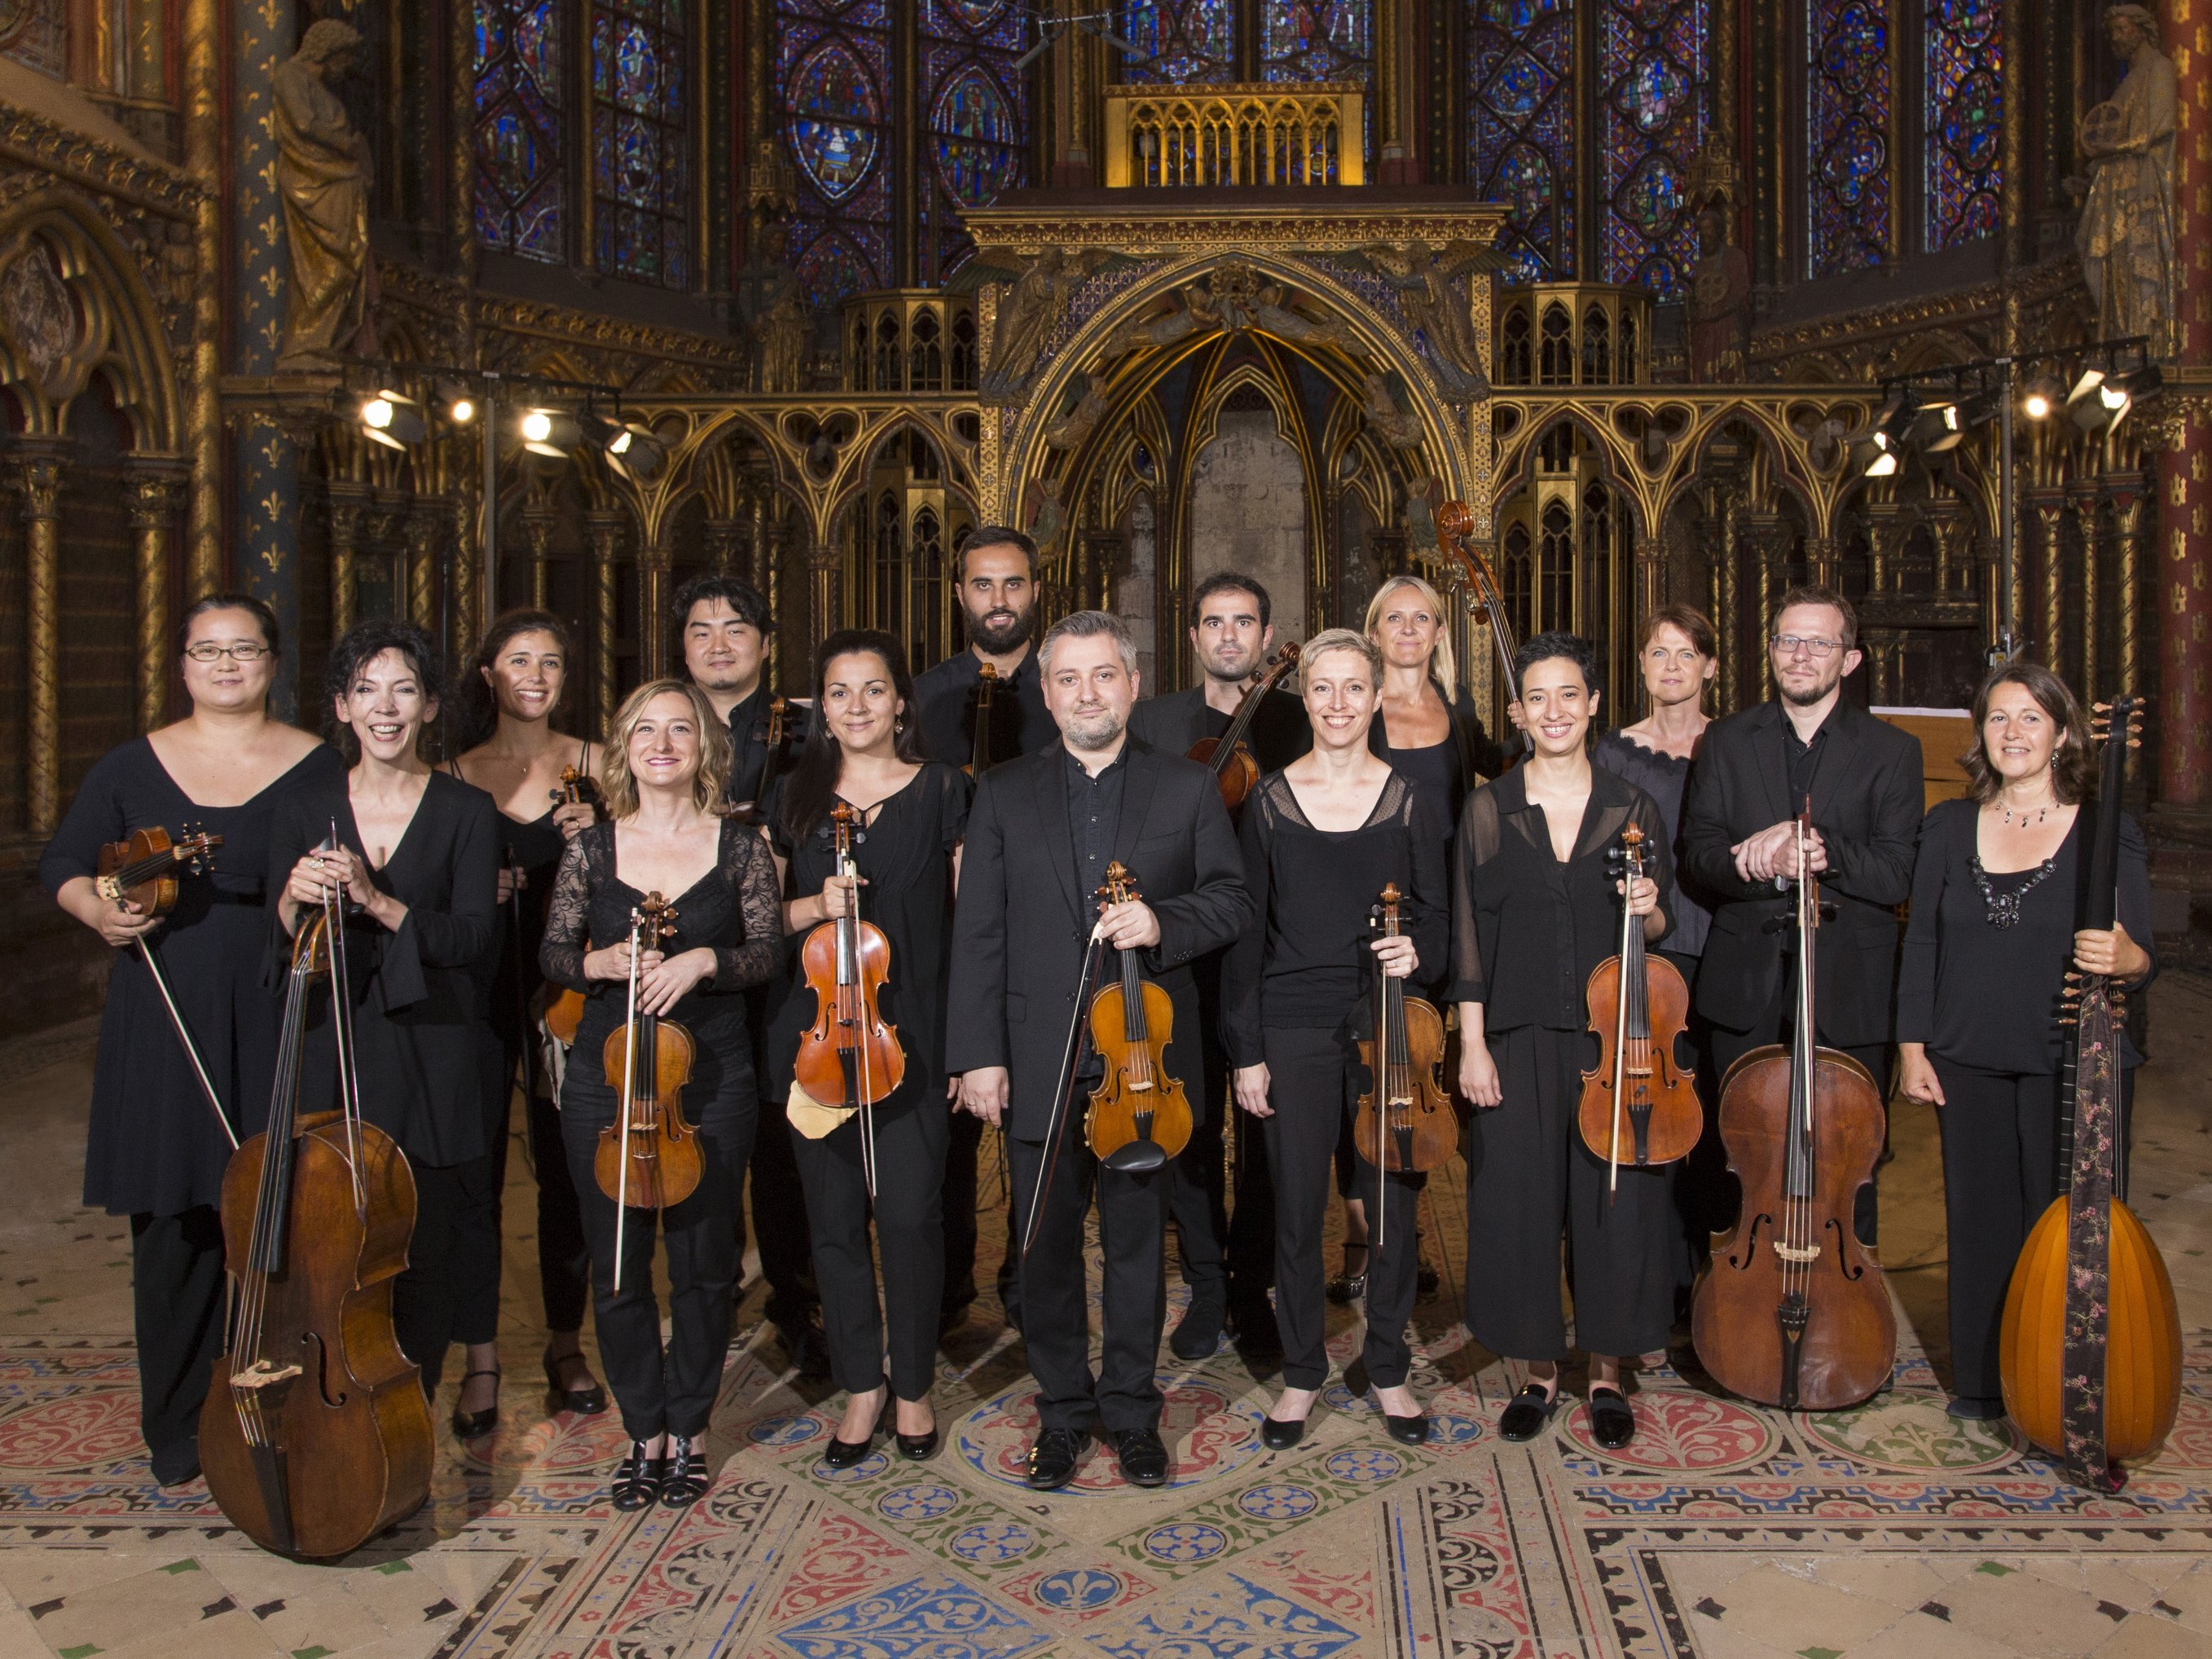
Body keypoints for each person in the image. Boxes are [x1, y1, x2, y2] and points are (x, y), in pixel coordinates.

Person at [947, 610, 1251, 1491]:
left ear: (1132, 682)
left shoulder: (1187, 788)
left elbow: (1230, 900)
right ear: (1046, 693)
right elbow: (981, 935)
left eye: (1104, 675)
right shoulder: (1002, 791)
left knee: (1131, 1246)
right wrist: (979, 1056)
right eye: (1069, 678)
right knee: (1042, 1247)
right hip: (1038, 1055)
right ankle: (1063, 1411)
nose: (1088, 692)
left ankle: (1129, 1408)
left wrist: (1163, 919)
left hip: (1142, 1062)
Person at [41, 595, 336, 1488]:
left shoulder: (319, 763)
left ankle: (273, 1402)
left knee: (278, 1210)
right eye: (207, 650)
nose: (225, 664)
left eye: (243, 648)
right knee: (174, 1219)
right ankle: (175, 1422)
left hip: (282, 992)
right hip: (166, 999)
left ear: (272, 662)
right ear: (182, 664)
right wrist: (99, 908)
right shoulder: (135, 763)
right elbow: (64, 862)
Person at [539, 680, 781, 1509]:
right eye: (647, 728)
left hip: (712, 1080)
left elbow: (765, 952)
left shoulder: (739, 847)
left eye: (681, 728)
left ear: (704, 746)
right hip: (605, 1084)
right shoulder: (591, 850)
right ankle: (643, 1428)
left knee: (705, 1267)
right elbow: (553, 952)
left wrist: (705, 961)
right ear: (624, 745)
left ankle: (689, 1427)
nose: (664, 741)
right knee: (618, 1266)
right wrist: (600, 962)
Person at [1897, 662, 2156, 1421]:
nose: (2012, 733)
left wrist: (2129, 959)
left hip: (2069, 1058)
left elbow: (2138, 959)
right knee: (1977, 1224)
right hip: (1964, 1052)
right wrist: (1911, 1047)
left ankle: (2062, 1388)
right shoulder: (1946, 825)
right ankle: (1982, 1384)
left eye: (2030, 718)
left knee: (2066, 1229)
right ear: (1979, 733)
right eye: (1997, 718)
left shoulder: (2107, 830)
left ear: (2063, 733)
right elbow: (1922, 948)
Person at [1222, 629, 1447, 1447]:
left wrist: (1419, 948)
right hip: (1291, 1019)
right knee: (1295, 1208)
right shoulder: (1272, 801)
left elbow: (1439, 918)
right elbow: (1247, 937)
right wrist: (1246, 1048)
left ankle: (1387, 1365)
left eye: (1356, 687)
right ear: (1306, 697)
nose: (1341, 703)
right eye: (1325, 688)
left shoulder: (1412, 797)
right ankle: (1302, 1371)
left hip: (1386, 1020)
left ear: (1378, 696)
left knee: (1390, 1199)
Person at [270, 620, 500, 1408]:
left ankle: (413, 1405)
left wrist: (377, 900)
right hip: (337, 1042)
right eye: (366, 689)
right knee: (336, 1233)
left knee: (425, 1235)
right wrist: (291, 901)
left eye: (404, 689)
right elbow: (281, 945)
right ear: (341, 706)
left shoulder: (468, 811)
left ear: (431, 706)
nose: (386, 707)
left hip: (436, 1045)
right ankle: (338, 1396)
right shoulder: (304, 808)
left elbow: (474, 937)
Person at [1453, 632, 1674, 1452]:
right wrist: (1472, 1044)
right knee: (1518, 1199)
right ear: (1518, 713)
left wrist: (1648, 901)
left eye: (1569, 695)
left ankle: (1609, 1368)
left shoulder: (1632, 805)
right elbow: (1470, 934)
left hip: (1610, 1041)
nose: (1554, 711)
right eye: (1537, 698)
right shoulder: (1488, 807)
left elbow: (1657, 923)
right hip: (1514, 1034)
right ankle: (1542, 1369)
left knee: (1613, 1201)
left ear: (1591, 705)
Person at [763, 631, 970, 1465]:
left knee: (914, 1217)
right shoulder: (792, 799)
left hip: (914, 1030)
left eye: (873, 690)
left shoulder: (946, 790)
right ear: (823, 708)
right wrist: (813, 905)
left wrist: (968, 1045)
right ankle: (861, 1385)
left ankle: (913, 1385)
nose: (856, 706)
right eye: (839, 692)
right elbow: (756, 924)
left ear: (899, 702)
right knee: (835, 1219)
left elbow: (972, 926)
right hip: (817, 1039)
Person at [1680, 585, 1921, 1247]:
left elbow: (1896, 872)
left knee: (1851, 1162)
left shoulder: (1892, 751)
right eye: (1788, 639)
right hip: (1743, 986)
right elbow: (1697, 858)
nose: (1801, 654)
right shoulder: (1725, 741)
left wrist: (1814, 850)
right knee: (1737, 1160)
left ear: (1848, 659)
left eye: (1819, 642)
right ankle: (1735, 1317)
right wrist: (1764, 864)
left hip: (1851, 989)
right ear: (1770, 651)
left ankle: (1848, 1321)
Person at [1128, 570, 1311, 1358]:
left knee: (1270, 1130)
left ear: (1268, 638)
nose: (1229, 636)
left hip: (1277, 947)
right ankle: (1205, 1282)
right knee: (1191, 1128)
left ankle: (1252, 1284)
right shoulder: (1156, 721)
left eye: (1244, 622)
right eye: (1214, 622)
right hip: (1183, 948)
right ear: (1193, 636)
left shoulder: (1301, 719)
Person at [443, 611, 607, 1437]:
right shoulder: (453, 773)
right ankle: (478, 1356)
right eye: (518, 660)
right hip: (475, 992)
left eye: (550, 660)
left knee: (565, 1169)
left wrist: (599, 840)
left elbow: (636, 876)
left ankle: (563, 1343)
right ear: (487, 672)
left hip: (564, 992)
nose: (535, 674)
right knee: (472, 1170)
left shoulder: (596, 764)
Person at [1338, 573, 1504, 1302]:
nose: (1407, 629)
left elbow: (1483, 804)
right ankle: (1366, 1243)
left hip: (1441, 911)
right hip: (1369, 908)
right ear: (1373, 631)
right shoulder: (1356, 709)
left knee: (1434, 1076)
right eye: (1393, 618)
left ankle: (1437, 1238)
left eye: (1422, 618)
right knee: (1367, 1079)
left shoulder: (1459, 714)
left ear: (1441, 632)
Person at [911, 526, 1058, 1331]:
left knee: (1035, 1126)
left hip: (1038, 937)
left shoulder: (1067, 685)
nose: (998, 600)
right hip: (947, 939)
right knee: (950, 1130)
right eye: (982, 585)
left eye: (1013, 584)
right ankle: (948, 1290)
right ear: (959, 593)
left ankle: (1028, 1284)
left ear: (1035, 589)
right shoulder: (927, 694)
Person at [675, 573, 820, 1368]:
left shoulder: (807, 726)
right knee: (701, 1127)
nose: (719, 643)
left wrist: (783, 862)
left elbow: (831, 825)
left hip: (784, 966)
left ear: (765, 644)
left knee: (780, 1133)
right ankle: (711, 1285)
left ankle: (796, 1296)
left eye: (736, 628)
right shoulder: (663, 727)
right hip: (693, 966)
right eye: (702, 630)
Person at [1593, 605, 1722, 1297]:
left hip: (1718, 943)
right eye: (1656, 653)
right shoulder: (1612, 751)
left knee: (1708, 1113)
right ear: (1640, 666)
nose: (1670, 667)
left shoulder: (1732, 744)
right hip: (1646, 946)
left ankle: (1712, 1271)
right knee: (1653, 1110)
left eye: (1684, 654)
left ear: (1709, 665)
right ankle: (1658, 1275)